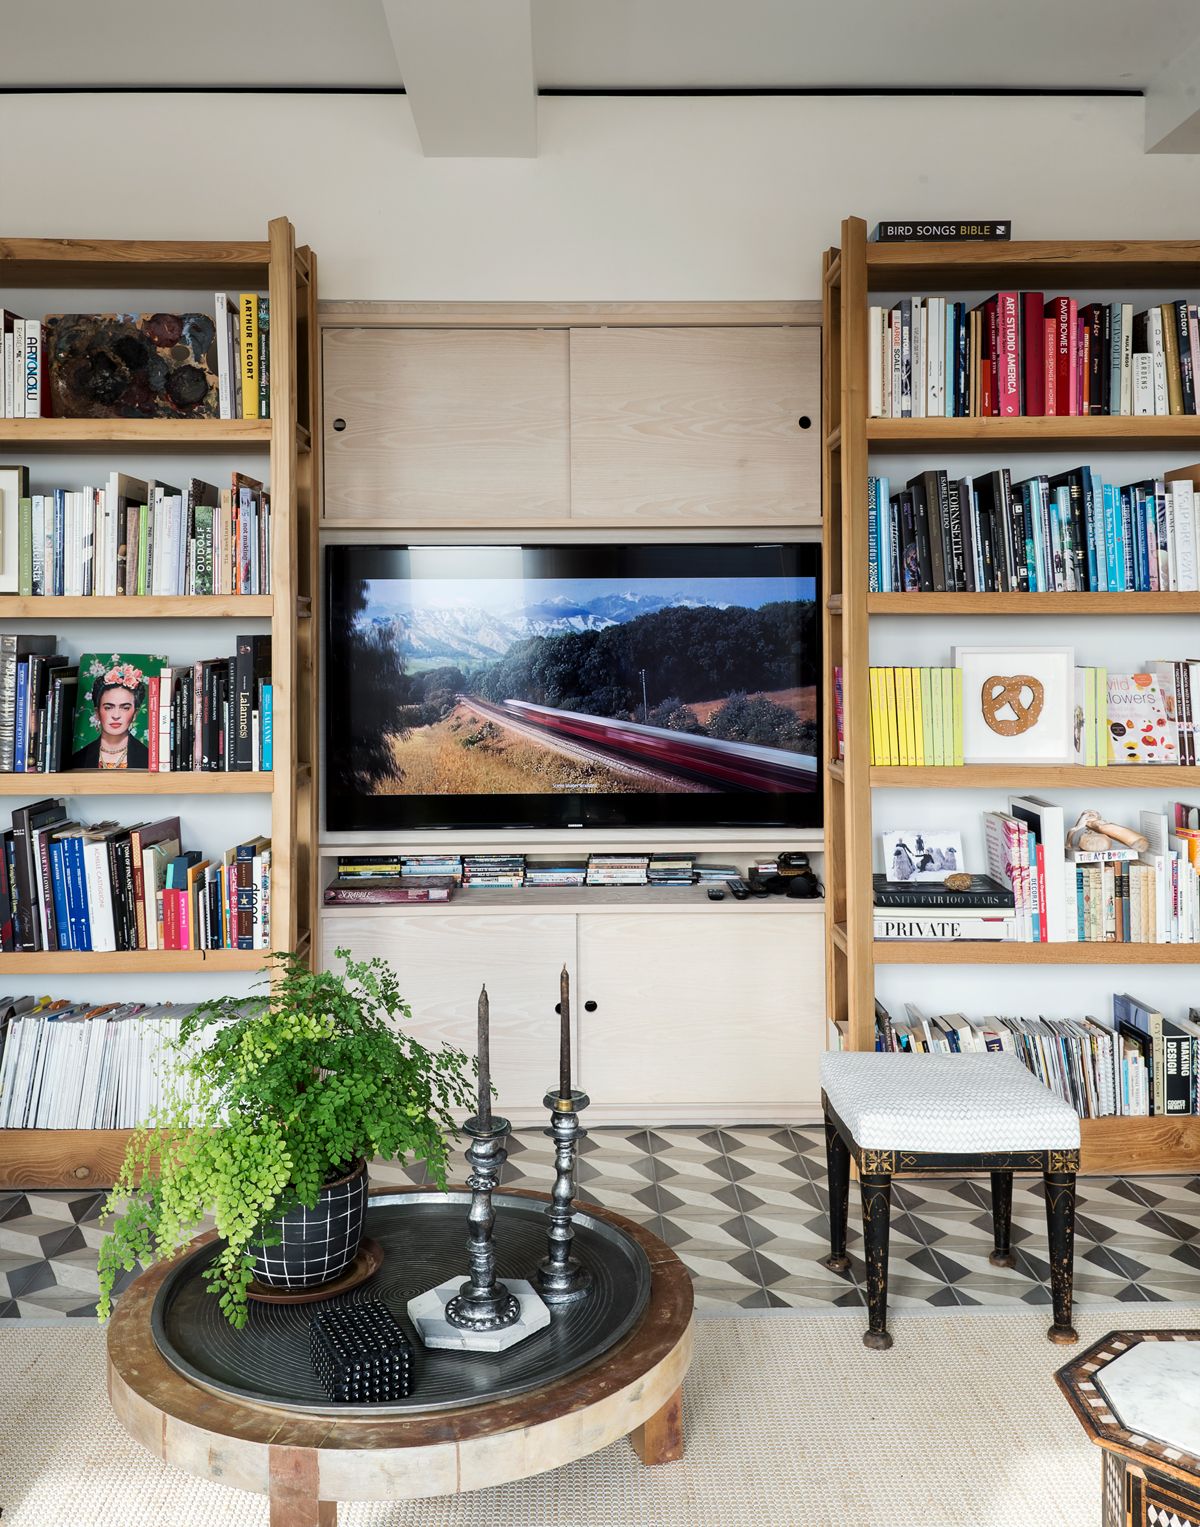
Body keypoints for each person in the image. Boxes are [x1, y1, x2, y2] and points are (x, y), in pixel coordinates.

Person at [71, 664, 149, 770]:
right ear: (97, 712)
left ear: (135, 713)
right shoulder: (78, 759)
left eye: (125, 708)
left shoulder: (148, 758)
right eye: (108, 707)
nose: (116, 716)